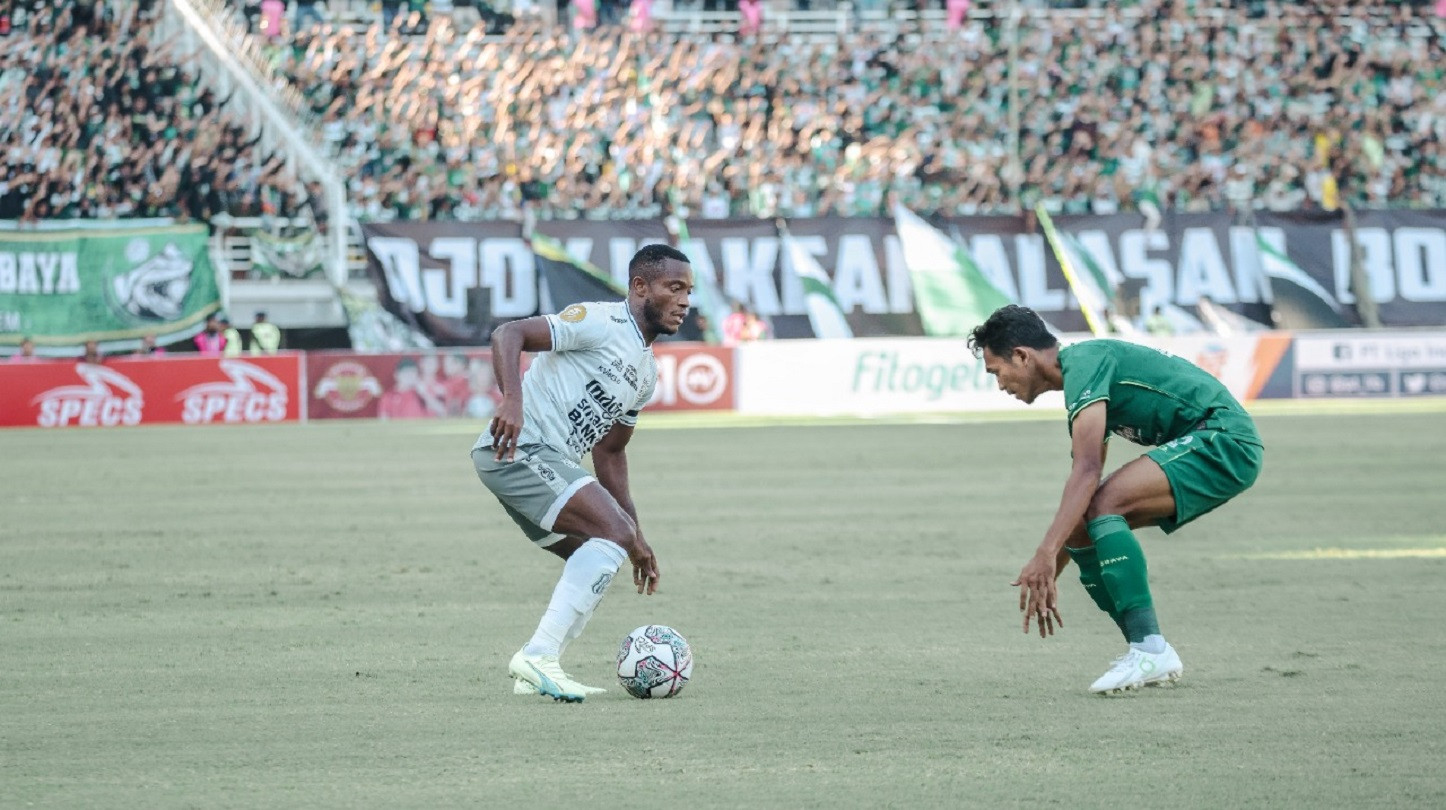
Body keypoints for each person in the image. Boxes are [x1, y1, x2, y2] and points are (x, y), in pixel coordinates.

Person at [967, 305, 1264, 694]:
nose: (1000, 384)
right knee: (1081, 529)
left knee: (1103, 507)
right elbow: (1084, 486)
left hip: (1225, 438)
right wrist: (1052, 565)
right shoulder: (1083, 380)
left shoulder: (1086, 363)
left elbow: (1088, 471)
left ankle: (1150, 649)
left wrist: (1044, 554)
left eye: (996, 372)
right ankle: (1147, 649)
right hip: (1214, 441)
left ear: (1022, 356)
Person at [471, 244, 693, 702]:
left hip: (540, 462)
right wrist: (512, 399)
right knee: (609, 537)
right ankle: (539, 655)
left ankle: (535, 669)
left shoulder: (645, 372)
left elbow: (610, 453)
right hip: (519, 448)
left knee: (603, 550)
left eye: (688, 291)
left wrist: (635, 534)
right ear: (639, 287)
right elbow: (508, 335)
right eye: (674, 288)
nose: (685, 301)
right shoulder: (600, 322)